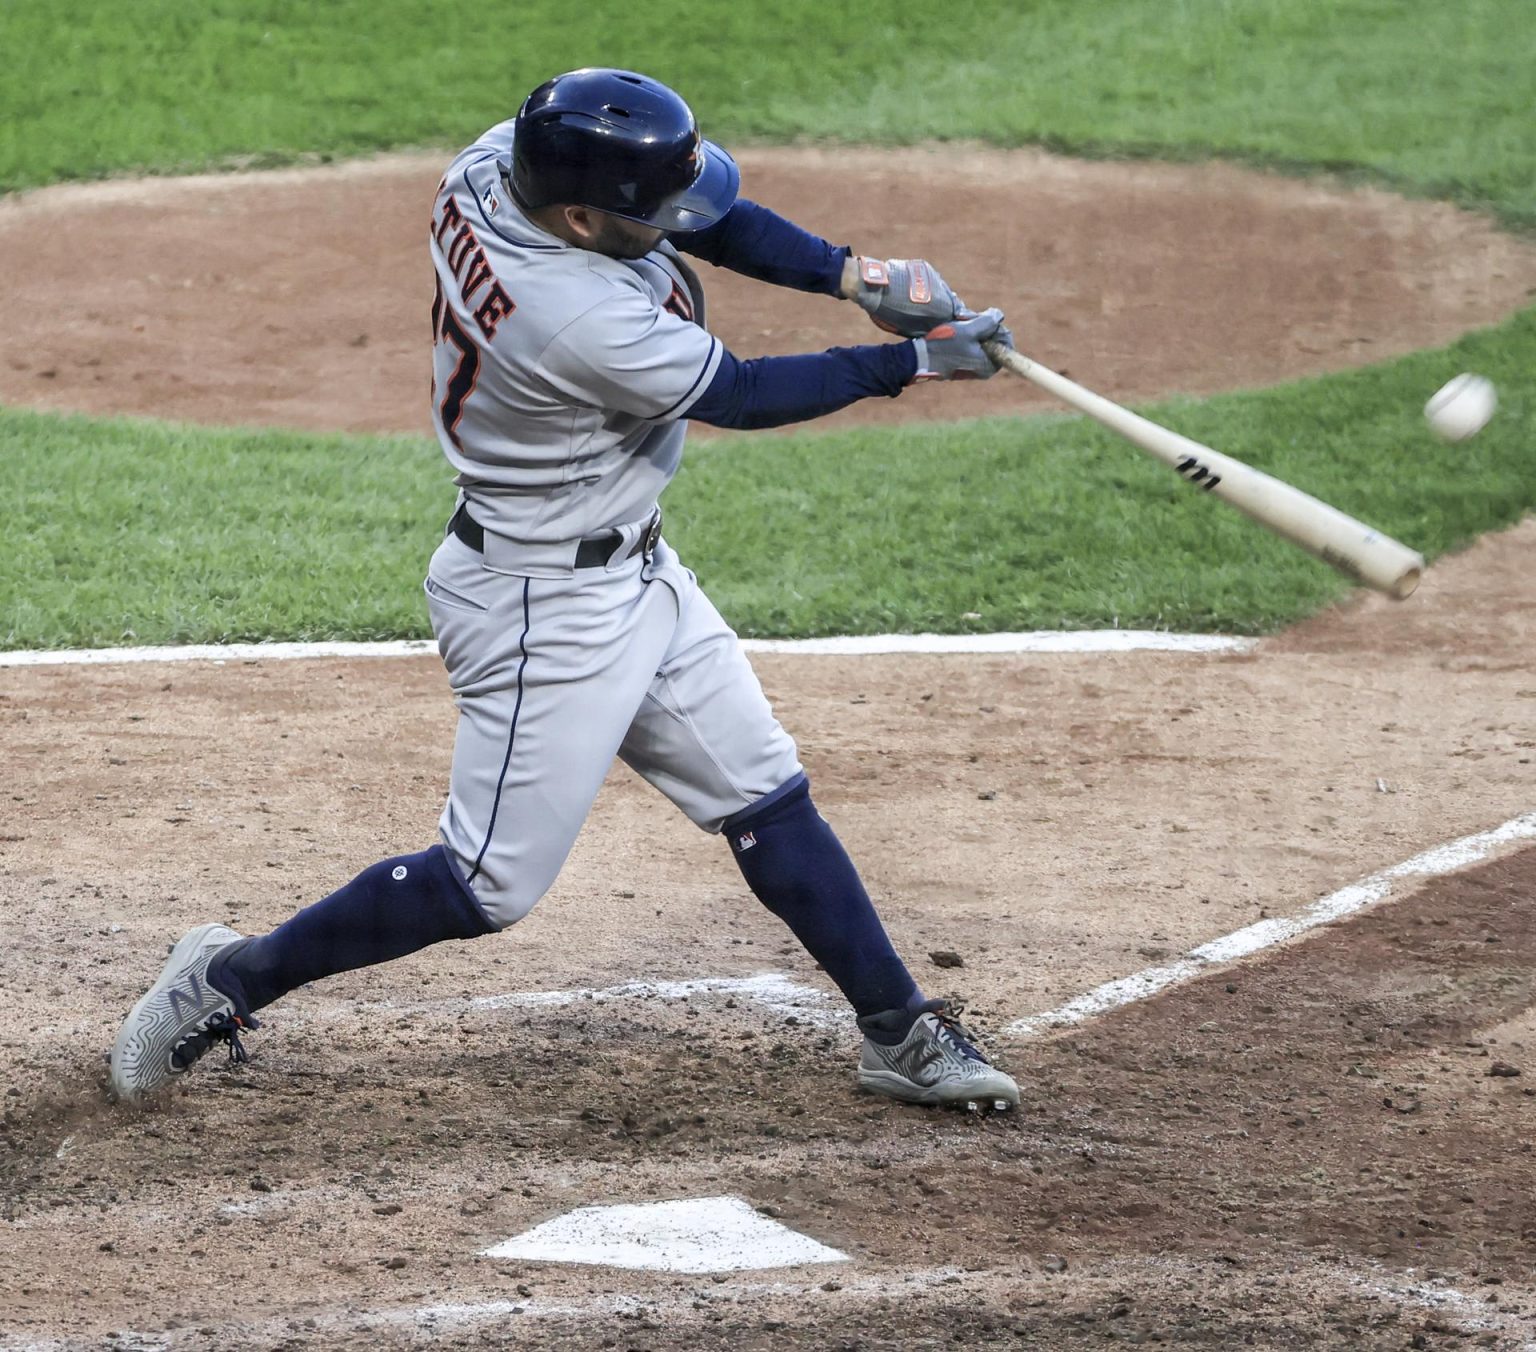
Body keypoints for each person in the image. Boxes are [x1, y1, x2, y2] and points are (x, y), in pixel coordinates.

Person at [109, 68, 1019, 1113]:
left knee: (762, 788)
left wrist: (854, 273)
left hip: (630, 564)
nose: (672, 224)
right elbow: (742, 392)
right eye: (641, 215)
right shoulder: (569, 316)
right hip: (543, 600)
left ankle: (898, 1028)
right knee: (484, 881)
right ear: (580, 218)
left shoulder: (502, 161)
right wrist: (912, 361)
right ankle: (224, 979)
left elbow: (699, 212)